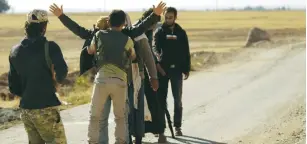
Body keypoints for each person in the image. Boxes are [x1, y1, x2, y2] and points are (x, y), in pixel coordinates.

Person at [49, 2, 166, 76]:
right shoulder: (103, 34)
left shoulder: (101, 34)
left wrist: (61, 16)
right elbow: (140, 28)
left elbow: (79, 30)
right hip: (110, 79)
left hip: (118, 78)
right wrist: (155, 15)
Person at [8, 9, 68, 144]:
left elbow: (13, 87)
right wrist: (54, 82)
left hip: (26, 110)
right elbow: (62, 73)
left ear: (26, 26)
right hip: (46, 108)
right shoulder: (51, 47)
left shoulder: (14, 51)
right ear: (44, 27)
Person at [86, 9, 137, 144]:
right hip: (120, 82)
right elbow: (133, 56)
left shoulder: (99, 35)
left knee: (95, 116)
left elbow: (91, 50)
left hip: (101, 80)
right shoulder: (128, 39)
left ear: (108, 21)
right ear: (124, 23)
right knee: (120, 117)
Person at [153, 7, 191, 136]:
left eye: (171, 17)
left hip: (177, 70)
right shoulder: (159, 32)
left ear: (175, 17)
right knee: (161, 100)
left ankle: (177, 126)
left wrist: (186, 69)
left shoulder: (181, 33)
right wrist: (158, 61)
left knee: (177, 100)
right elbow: (155, 48)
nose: (168, 20)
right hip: (163, 71)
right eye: (166, 17)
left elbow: (186, 51)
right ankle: (161, 128)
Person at [125, 11, 159, 144]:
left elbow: (149, 59)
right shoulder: (116, 36)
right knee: (124, 109)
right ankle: (126, 135)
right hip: (121, 79)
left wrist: (153, 77)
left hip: (137, 78)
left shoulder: (139, 36)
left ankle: (138, 136)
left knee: (137, 109)